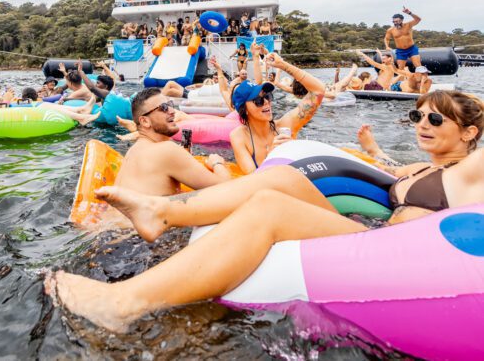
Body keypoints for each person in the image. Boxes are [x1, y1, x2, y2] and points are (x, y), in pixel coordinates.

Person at [47, 90, 484, 332]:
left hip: (402, 255)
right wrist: (372, 151)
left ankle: (124, 303)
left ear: (469, 133)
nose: (421, 125)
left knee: (270, 207)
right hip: (374, 233)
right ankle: (162, 212)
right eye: (417, 115)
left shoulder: (470, 173)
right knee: (282, 180)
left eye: (435, 120)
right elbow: (382, 173)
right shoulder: (418, 166)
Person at [109, 88, 231, 196]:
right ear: (145, 121)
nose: (173, 110)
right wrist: (217, 163)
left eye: (170, 104)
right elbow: (225, 189)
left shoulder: (133, 151)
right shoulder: (167, 150)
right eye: (164, 107)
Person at [230, 52, 326, 174]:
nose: (266, 102)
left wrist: (283, 65)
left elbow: (318, 91)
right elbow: (253, 180)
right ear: (245, 109)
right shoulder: (239, 136)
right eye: (258, 100)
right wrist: (272, 156)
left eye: (268, 96)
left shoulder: (285, 125)